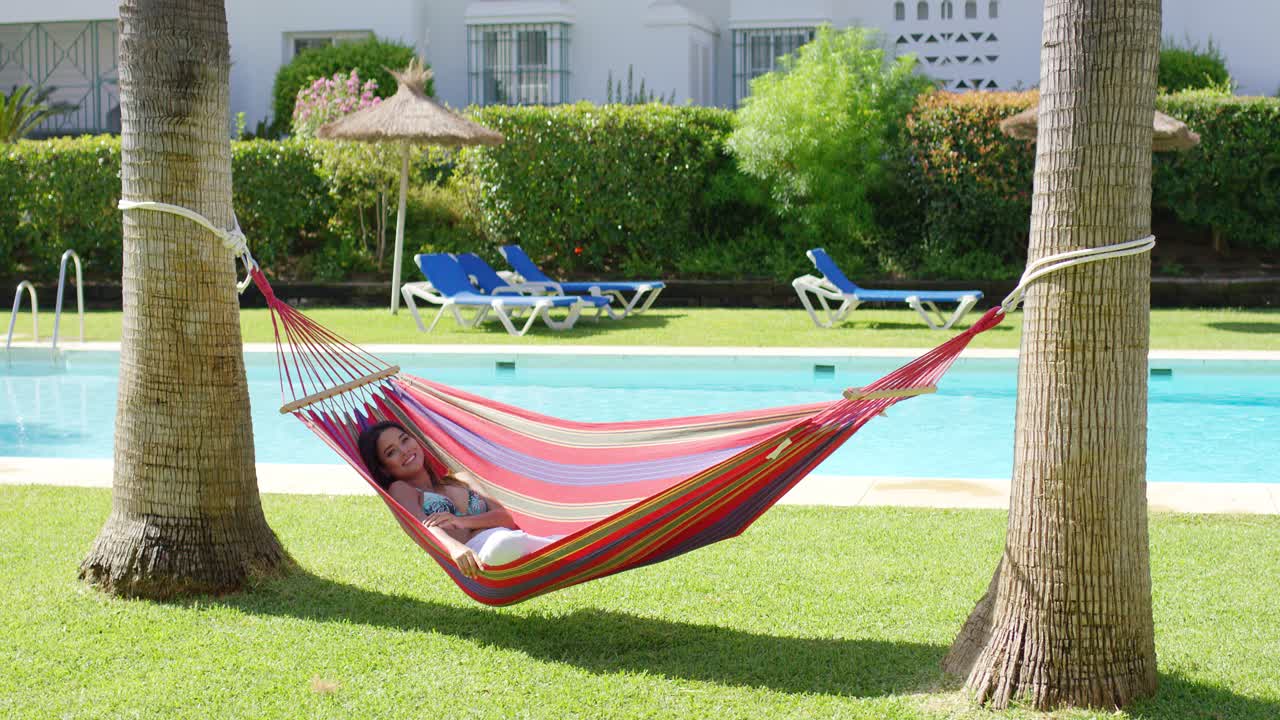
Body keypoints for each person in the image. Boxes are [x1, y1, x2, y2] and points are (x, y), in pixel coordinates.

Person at [357, 421, 560, 578]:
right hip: (479, 555)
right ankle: (566, 551)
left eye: (405, 440)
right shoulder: (402, 489)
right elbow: (420, 525)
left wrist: (461, 521)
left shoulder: (461, 478)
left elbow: (505, 518)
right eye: (391, 452)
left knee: (506, 541)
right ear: (384, 468)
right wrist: (454, 548)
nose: (404, 450)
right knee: (502, 545)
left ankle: (570, 549)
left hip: (510, 540)